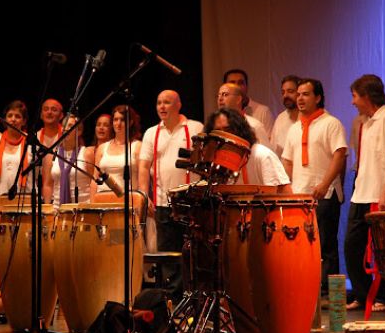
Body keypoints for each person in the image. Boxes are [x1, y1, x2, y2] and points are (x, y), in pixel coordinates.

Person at [343, 74, 385, 312]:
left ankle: (382, 295)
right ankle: (363, 294)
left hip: (380, 194)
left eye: (354, 96)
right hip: (362, 192)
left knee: (384, 249)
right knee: (353, 246)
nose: (352, 102)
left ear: (366, 96)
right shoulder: (367, 122)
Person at [281, 78, 348, 297]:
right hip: (300, 194)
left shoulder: (331, 123)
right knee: (303, 243)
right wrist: (286, 188)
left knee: (326, 245)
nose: (300, 98)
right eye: (298, 94)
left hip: (324, 192)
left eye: (305, 94)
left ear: (318, 97)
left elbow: (339, 155)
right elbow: (288, 161)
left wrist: (325, 183)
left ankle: (331, 295)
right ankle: (310, 289)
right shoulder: (294, 128)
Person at [139, 90, 203, 299]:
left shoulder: (194, 128)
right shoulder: (151, 132)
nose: (162, 107)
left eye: (167, 102)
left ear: (178, 105)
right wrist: (143, 194)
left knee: (191, 250)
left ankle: (193, 296)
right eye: (159, 103)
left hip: (190, 202)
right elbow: (143, 166)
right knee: (167, 252)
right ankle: (172, 299)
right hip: (162, 201)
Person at [205, 108, 291, 192]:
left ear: (239, 130)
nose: (223, 136)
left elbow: (285, 196)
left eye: (228, 130)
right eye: (218, 132)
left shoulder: (262, 155)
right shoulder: (219, 162)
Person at [0, 100, 33, 221]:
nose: (13, 119)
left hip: (24, 200)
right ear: (5, 119)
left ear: (24, 121)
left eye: (18, 116)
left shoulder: (31, 144)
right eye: (10, 115)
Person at [91, 105, 142, 200]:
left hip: (127, 200)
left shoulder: (138, 146)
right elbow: (95, 179)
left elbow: (141, 179)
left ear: (130, 122)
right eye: (115, 119)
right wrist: (92, 202)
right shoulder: (102, 148)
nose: (118, 123)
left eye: (122, 120)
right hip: (102, 200)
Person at [43, 115, 94, 206]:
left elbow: (93, 182)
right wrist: (47, 210)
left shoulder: (87, 153)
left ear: (79, 131)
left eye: (70, 126)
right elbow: (48, 185)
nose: (66, 129)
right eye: (64, 126)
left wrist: (92, 206)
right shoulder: (51, 156)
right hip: (57, 210)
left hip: (83, 209)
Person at [217, 83, 271, 149]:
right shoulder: (216, 126)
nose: (220, 98)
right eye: (218, 95)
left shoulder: (254, 126)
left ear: (238, 99)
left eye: (225, 94)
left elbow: (268, 156)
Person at [224, 69, 275, 137]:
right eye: (232, 83)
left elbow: (268, 143)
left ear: (247, 86)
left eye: (241, 83)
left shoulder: (263, 112)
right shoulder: (221, 115)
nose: (237, 87)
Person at [270, 75, 302, 157]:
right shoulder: (280, 118)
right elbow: (274, 152)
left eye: (290, 91)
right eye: (283, 92)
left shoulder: (317, 117)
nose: (285, 96)